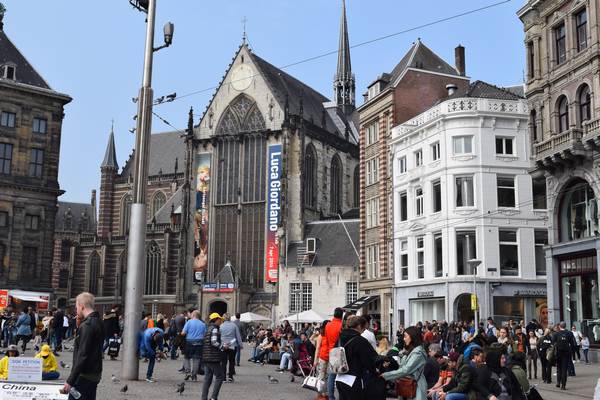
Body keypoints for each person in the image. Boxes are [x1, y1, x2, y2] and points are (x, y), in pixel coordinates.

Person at [63, 292, 105, 400]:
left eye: (76, 307)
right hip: (95, 373)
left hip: (84, 375)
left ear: (82, 307)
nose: (76, 310)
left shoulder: (87, 325)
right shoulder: (99, 321)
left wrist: (70, 380)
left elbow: (82, 355)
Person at [334, 315, 378, 400]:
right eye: (363, 328)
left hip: (339, 377)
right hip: (353, 379)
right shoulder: (360, 341)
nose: (364, 331)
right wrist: (375, 371)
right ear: (359, 326)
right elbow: (370, 360)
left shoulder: (340, 338)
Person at [382, 326, 428, 400]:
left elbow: (406, 370)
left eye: (405, 336)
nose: (404, 339)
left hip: (416, 387)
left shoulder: (418, 353)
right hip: (407, 386)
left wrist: (386, 376)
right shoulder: (411, 351)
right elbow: (403, 367)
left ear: (412, 337)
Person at [317, 307, 344, 400]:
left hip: (331, 351)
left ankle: (331, 396)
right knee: (341, 376)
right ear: (341, 315)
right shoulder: (341, 325)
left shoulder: (328, 325)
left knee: (331, 376)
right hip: (339, 352)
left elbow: (327, 339)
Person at [201, 313, 225, 400]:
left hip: (206, 356)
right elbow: (214, 342)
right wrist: (222, 346)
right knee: (220, 376)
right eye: (220, 320)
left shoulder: (208, 328)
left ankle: (204, 398)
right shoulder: (214, 329)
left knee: (207, 379)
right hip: (213, 357)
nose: (221, 321)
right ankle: (213, 397)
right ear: (216, 320)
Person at [181, 310, 205, 381]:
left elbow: (183, 333)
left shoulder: (189, 322)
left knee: (186, 357)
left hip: (189, 342)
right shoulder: (202, 324)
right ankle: (194, 375)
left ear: (193, 315)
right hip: (199, 342)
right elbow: (205, 334)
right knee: (196, 359)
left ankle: (188, 372)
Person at [220, 313, 242, 382]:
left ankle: (223, 377)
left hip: (223, 345)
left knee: (223, 362)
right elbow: (238, 336)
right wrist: (240, 345)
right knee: (232, 362)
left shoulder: (221, 326)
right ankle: (230, 377)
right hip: (232, 345)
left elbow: (219, 336)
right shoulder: (234, 325)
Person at [554, 321, 576, 390]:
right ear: (565, 326)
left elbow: (553, 343)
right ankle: (563, 385)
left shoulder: (556, 334)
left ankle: (558, 382)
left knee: (559, 368)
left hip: (558, 353)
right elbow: (572, 344)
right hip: (566, 353)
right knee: (564, 369)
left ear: (559, 326)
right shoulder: (569, 333)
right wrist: (573, 353)